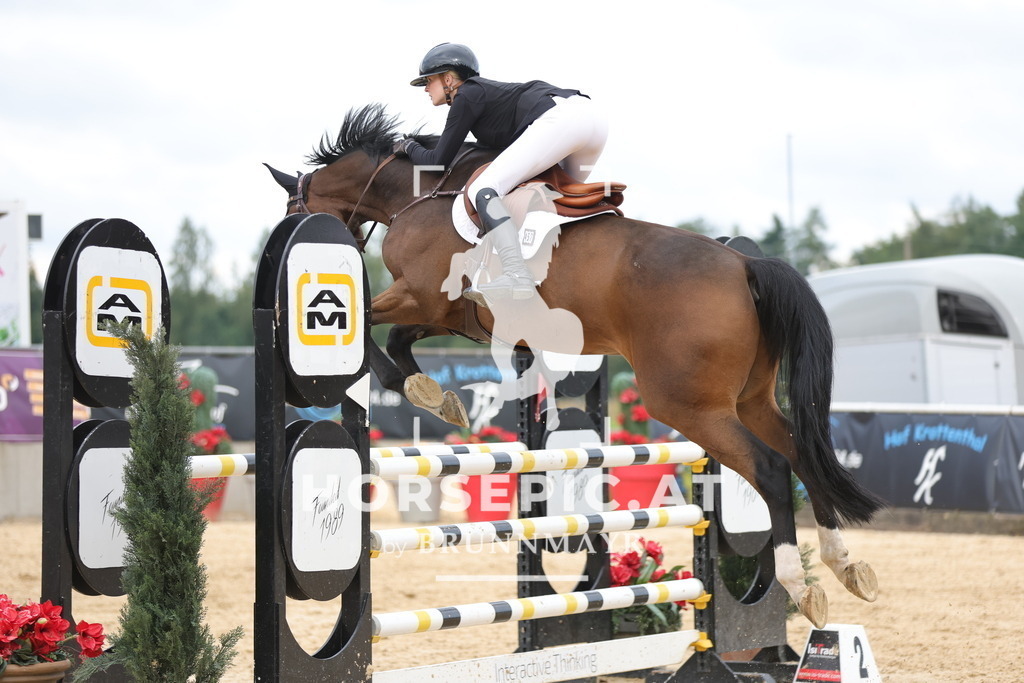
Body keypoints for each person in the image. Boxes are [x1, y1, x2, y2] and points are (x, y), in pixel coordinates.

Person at [394, 42, 608, 305]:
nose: (426, 88)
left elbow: (438, 161)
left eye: (429, 81)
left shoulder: (467, 94)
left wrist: (409, 146)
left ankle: (517, 275)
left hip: (562, 120)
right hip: (591, 121)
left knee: (483, 190)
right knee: (549, 204)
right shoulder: (482, 97)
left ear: (448, 79)